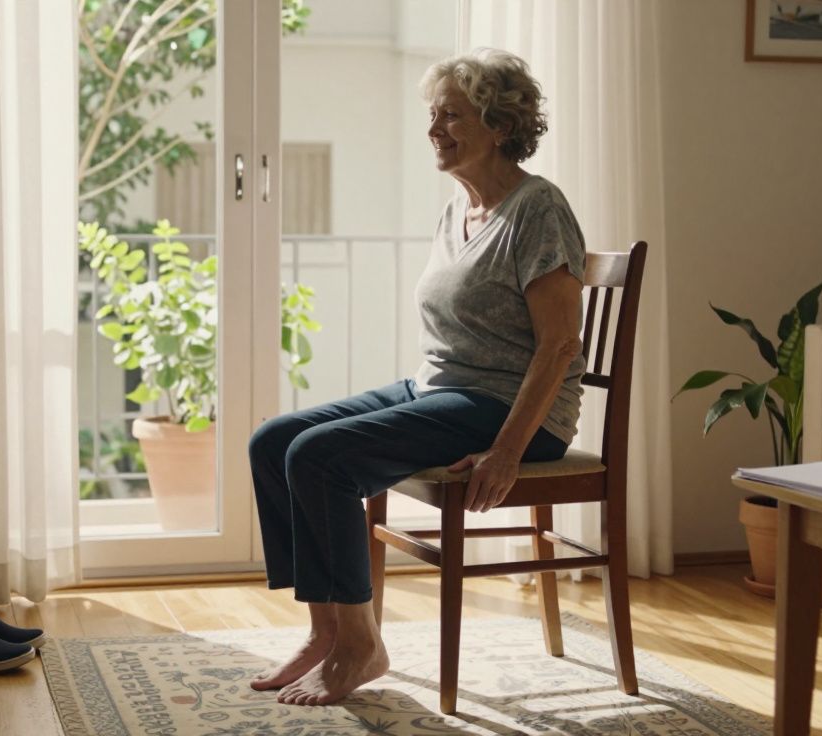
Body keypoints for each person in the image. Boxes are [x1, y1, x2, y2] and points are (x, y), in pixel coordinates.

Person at [246, 48, 587, 706]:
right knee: (274, 440)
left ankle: (360, 646)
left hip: (510, 410)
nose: (434, 129)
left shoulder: (538, 209)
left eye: (450, 116)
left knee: (320, 457)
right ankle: (326, 630)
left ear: (497, 123)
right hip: (439, 390)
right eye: (432, 115)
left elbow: (559, 344)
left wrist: (509, 449)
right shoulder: (455, 211)